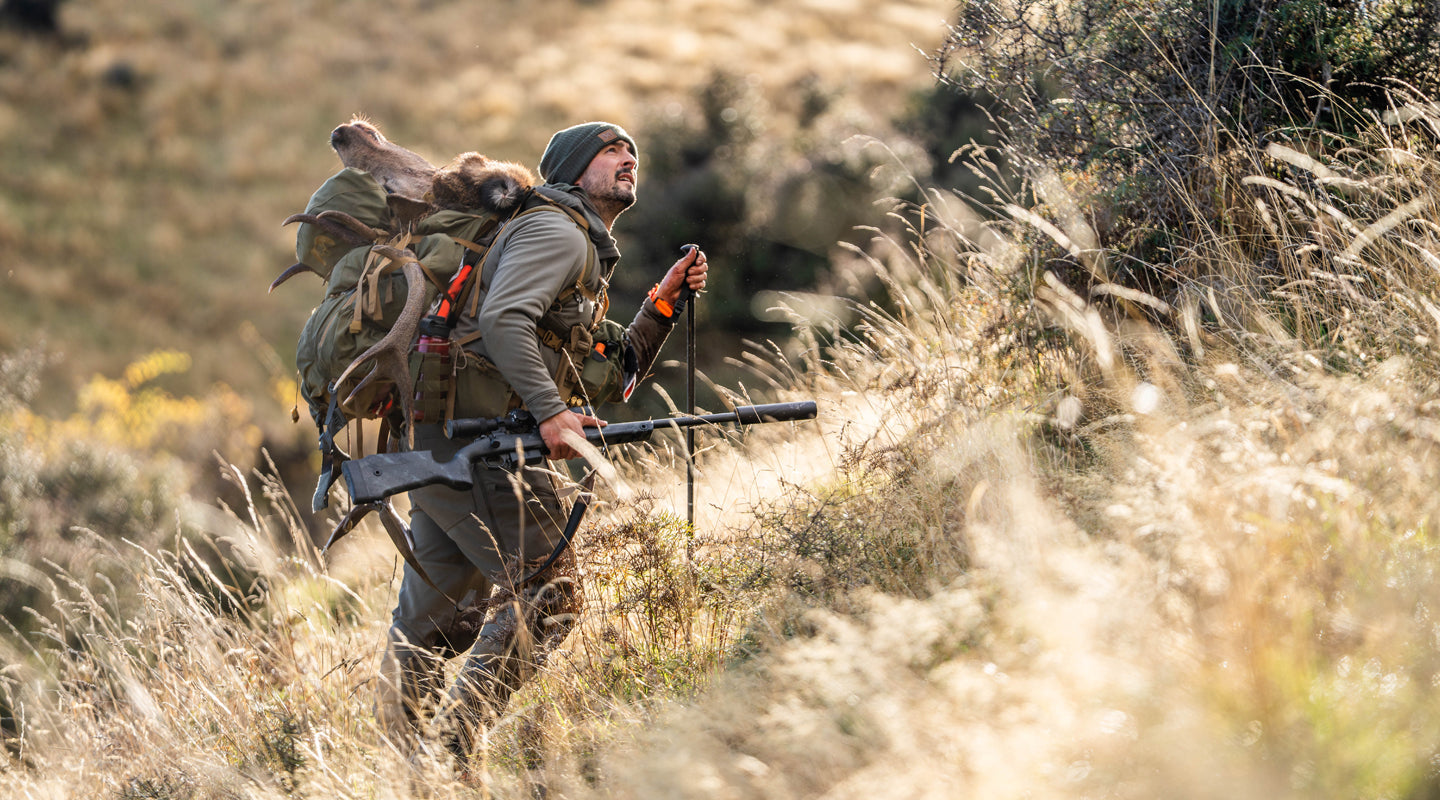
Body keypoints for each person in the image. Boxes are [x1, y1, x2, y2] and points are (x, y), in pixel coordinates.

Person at [375, 121, 708, 758]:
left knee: (429, 618)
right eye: (610, 150)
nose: (626, 157)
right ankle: (449, 751)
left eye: (630, 150)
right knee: (551, 599)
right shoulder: (557, 230)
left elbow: (603, 373)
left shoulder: (571, 246)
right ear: (573, 169)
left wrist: (659, 308)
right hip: (484, 449)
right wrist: (552, 415)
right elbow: (504, 322)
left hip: (447, 442)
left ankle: (403, 768)